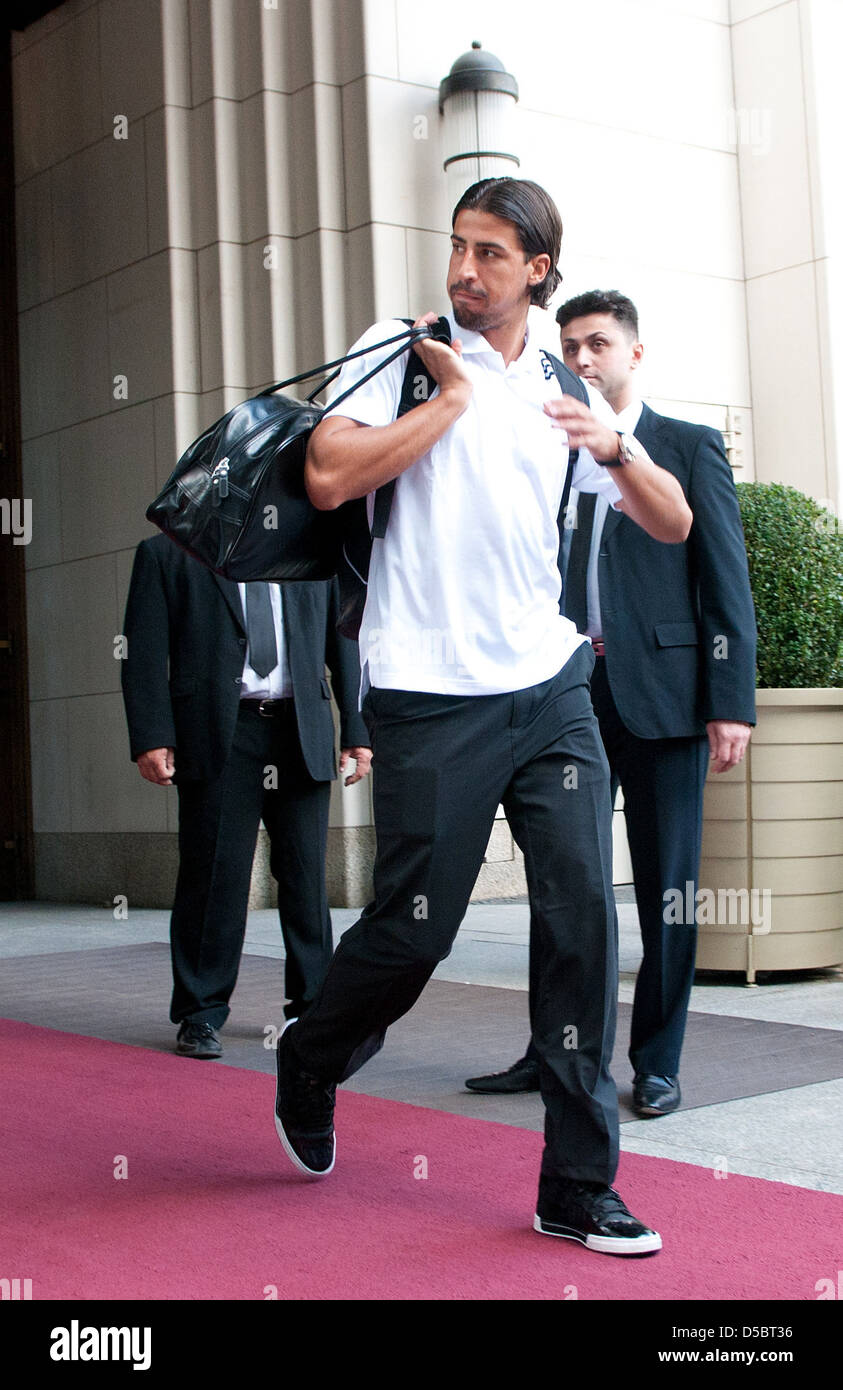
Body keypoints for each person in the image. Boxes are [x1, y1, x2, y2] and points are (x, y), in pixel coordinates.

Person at [273, 180, 693, 1256]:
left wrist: (611, 446)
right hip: (424, 689)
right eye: (458, 247)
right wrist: (446, 402)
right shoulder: (397, 349)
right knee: (415, 931)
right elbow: (326, 478)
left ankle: (576, 1182)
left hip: (547, 685)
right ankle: (312, 1056)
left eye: (491, 253)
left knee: (582, 919)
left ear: (537, 271)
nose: (465, 270)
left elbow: (672, 518)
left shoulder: (563, 384)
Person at [465, 289, 756, 1117]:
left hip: (662, 700)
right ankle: (550, 1049)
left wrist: (728, 701)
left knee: (667, 886)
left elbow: (722, 582)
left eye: (598, 343)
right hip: (561, 693)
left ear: (633, 354)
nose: (582, 358)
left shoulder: (687, 446)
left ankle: (656, 1062)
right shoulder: (548, 449)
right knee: (564, 882)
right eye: (570, 344)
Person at [121, 534, 371, 1058]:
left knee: (305, 877)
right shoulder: (169, 552)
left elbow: (344, 638)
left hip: (298, 727)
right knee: (214, 875)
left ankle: (313, 1006)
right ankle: (200, 1013)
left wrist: (358, 729)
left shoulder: (312, 550)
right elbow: (144, 648)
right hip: (219, 732)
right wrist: (150, 735)